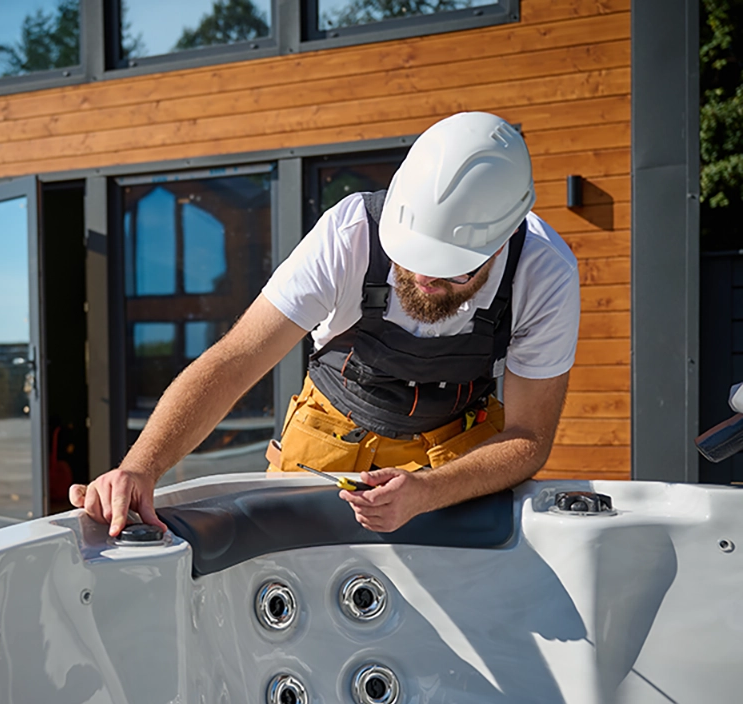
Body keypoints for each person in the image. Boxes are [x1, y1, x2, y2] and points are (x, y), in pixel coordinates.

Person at [70, 111, 580, 535]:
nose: (423, 278)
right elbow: (235, 360)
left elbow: (528, 435)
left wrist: (428, 490)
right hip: (325, 438)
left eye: (450, 270)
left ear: (502, 239)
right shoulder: (350, 233)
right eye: (410, 257)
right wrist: (141, 465)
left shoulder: (544, 272)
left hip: (458, 454)